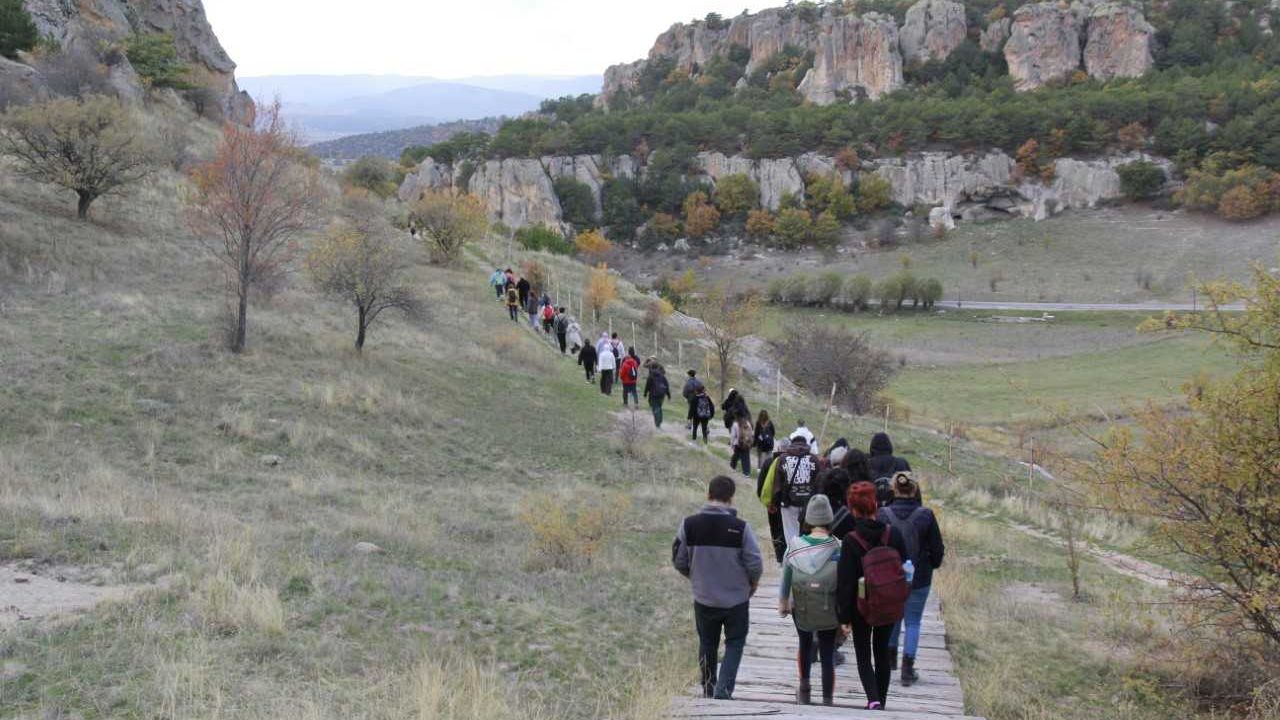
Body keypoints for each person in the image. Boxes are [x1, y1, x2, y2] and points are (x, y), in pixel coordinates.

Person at [672, 476, 763, 701]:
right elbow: (755, 563)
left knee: (707, 643)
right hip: (737, 599)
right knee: (735, 643)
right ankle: (724, 690)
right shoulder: (741, 528)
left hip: (704, 597)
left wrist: (695, 577)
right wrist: (752, 584)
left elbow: (679, 560)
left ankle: (708, 687)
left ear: (708, 494)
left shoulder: (688, 525)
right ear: (731, 499)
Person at [838, 482, 910, 712]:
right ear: (875, 505)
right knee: (882, 652)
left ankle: (873, 700)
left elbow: (846, 582)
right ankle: (882, 701)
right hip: (888, 602)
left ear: (853, 509)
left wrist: (844, 617)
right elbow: (905, 566)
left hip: (861, 606)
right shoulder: (892, 534)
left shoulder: (851, 540)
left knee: (863, 654)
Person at [881, 472, 945, 682]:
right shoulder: (926, 515)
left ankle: (889, 659)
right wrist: (931, 565)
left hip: (890, 576)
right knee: (913, 622)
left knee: (893, 617)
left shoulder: (883, 514)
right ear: (915, 489)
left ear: (893, 489)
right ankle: (907, 669)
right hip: (919, 576)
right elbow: (937, 549)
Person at [779, 495, 841, 706]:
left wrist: (783, 602)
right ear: (829, 519)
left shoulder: (795, 545)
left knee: (804, 644)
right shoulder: (837, 547)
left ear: (808, 519)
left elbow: (787, 575)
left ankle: (804, 689)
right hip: (828, 606)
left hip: (801, 605)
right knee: (827, 650)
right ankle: (827, 698)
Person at [772, 435, 820, 544]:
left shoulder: (782, 459)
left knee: (790, 534)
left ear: (791, 444)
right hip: (809, 504)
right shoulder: (814, 459)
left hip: (788, 503)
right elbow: (819, 482)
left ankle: (794, 553)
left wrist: (775, 501)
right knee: (808, 534)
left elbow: (777, 483)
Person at [756, 452, 788, 565]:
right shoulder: (791, 462)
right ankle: (788, 556)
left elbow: (761, 485)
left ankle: (780, 557)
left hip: (772, 504)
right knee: (787, 529)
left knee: (775, 529)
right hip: (787, 503)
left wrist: (766, 502)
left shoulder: (769, 462)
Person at [869, 432, 912, 506]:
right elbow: (912, 489)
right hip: (898, 508)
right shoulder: (901, 463)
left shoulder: (866, 464)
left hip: (871, 508)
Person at [643, 359, 671, 428]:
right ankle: (660, 420)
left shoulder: (651, 376)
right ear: (658, 367)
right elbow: (666, 385)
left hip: (653, 395)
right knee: (659, 407)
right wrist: (668, 395)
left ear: (651, 367)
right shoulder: (662, 376)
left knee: (655, 408)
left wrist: (645, 394)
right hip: (661, 394)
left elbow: (647, 386)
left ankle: (657, 422)